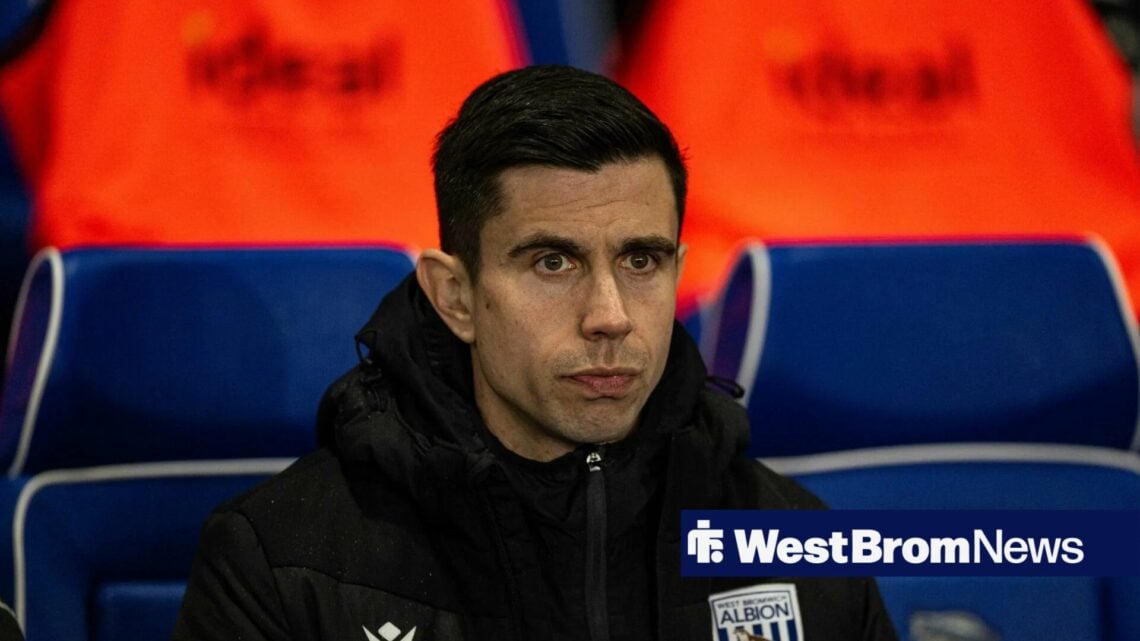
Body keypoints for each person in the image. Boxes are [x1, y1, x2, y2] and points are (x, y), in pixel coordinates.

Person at [172, 65, 898, 641]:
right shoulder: (280, 558)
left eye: (641, 260)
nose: (609, 316)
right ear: (455, 296)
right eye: (553, 262)